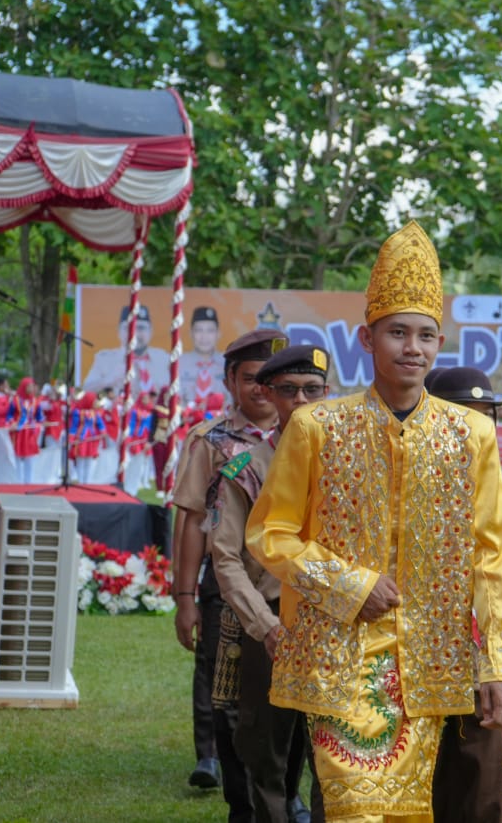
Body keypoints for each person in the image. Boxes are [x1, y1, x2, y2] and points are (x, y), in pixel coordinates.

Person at [245, 221, 502, 821]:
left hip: (438, 665)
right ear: (365, 338)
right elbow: (270, 534)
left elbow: (493, 555)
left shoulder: (470, 433)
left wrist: (500, 665)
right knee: (354, 810)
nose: (412, 348)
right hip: (342, 662)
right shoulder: (316, 427)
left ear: (440, 342)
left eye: (425, 335)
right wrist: (350, 583)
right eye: (397, 332)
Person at [210, 344, 329, 823]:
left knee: (338, 750)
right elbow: (226, 558)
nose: (301, 401)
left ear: (327, 393)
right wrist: (265, 627)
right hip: (273, 624)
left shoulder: (351, 464)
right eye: (288, 390)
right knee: (266, 751)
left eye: (312, 390)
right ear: (268, 394)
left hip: (337, 620)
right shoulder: (245, 470)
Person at [173, 327, 287, 817]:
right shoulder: (212, 441)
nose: (261, 389)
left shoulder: (310, 437)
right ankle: (235, 789)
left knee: (293, 700)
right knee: (229, 695)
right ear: (229, 381)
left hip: (295, 590)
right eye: (250, 379)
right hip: (230, 587)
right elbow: (194, 519)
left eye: (270, 379)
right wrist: (184, 597)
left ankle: (286, 795)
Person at [415, 364, 502, 823]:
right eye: (461, 413)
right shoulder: (399, 478)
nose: (474, 427)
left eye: (484, 415)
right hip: (407, 663)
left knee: (482, 788)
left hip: (478, 662)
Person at [81, 304, 172, 396]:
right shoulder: (104, 360)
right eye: (128, 328)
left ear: (151, 331)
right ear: (118, 331)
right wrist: (107, 380)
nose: (134, 334)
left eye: (141, 328)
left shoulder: (165, 359)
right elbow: (84, 392)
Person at [181, 305, 231, 406]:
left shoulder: (227, 363)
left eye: (210, 331)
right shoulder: (179, 363)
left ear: (218, 334)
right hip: (186, 419)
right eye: (199, 330)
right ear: (191, 333)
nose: (204, 337)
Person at [7, 377, 44, 484]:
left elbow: (39, 416)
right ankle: (18, 482)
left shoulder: (36, 401)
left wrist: (41, 423)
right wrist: (12, 423)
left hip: (31, 432)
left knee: (30, 458)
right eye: (29, 386)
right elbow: (9, 415)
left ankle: (29, 482)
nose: (31, 388)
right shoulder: (15, 400)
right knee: (18, 456)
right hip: (19, 432)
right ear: (23, 387)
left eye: (32, 386)